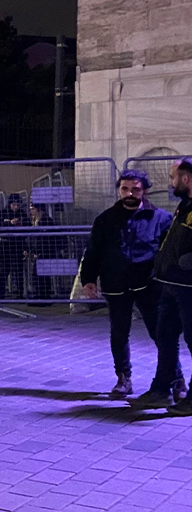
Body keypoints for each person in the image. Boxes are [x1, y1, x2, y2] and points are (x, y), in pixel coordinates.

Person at [80, 169, 176, 399]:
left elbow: (169, 253)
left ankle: (175, 377)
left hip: (149, 284)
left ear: (144, 190)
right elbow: (93, 251)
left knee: (161, 333)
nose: (130, 193)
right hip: (116, 283)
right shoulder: (105, 219)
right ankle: (123, 378)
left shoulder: (160, 218)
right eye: (125, 188)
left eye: (135, 189)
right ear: (119, 190)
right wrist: (88, 279)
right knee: (119, 333)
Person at [143, 159, 192, 413]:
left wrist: (186, 262)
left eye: (173, 178)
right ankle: (163, 388)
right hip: (170, 284)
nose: (170, 183)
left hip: (189, 286)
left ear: (185, 179)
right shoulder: (184, 207)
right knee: (165, 336)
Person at [0, 193, 30, 298]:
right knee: (4, 271)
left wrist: (25, 248)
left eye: (17, 205)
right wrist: (9, 223)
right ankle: (1, 294)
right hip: (5, 246)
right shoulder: (2, 213)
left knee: (19, 271)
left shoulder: (22, 214)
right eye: (14, 205)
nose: (16, 207)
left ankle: (20, 294)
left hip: (18, 246)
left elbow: (27, 229)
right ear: (10, 204)